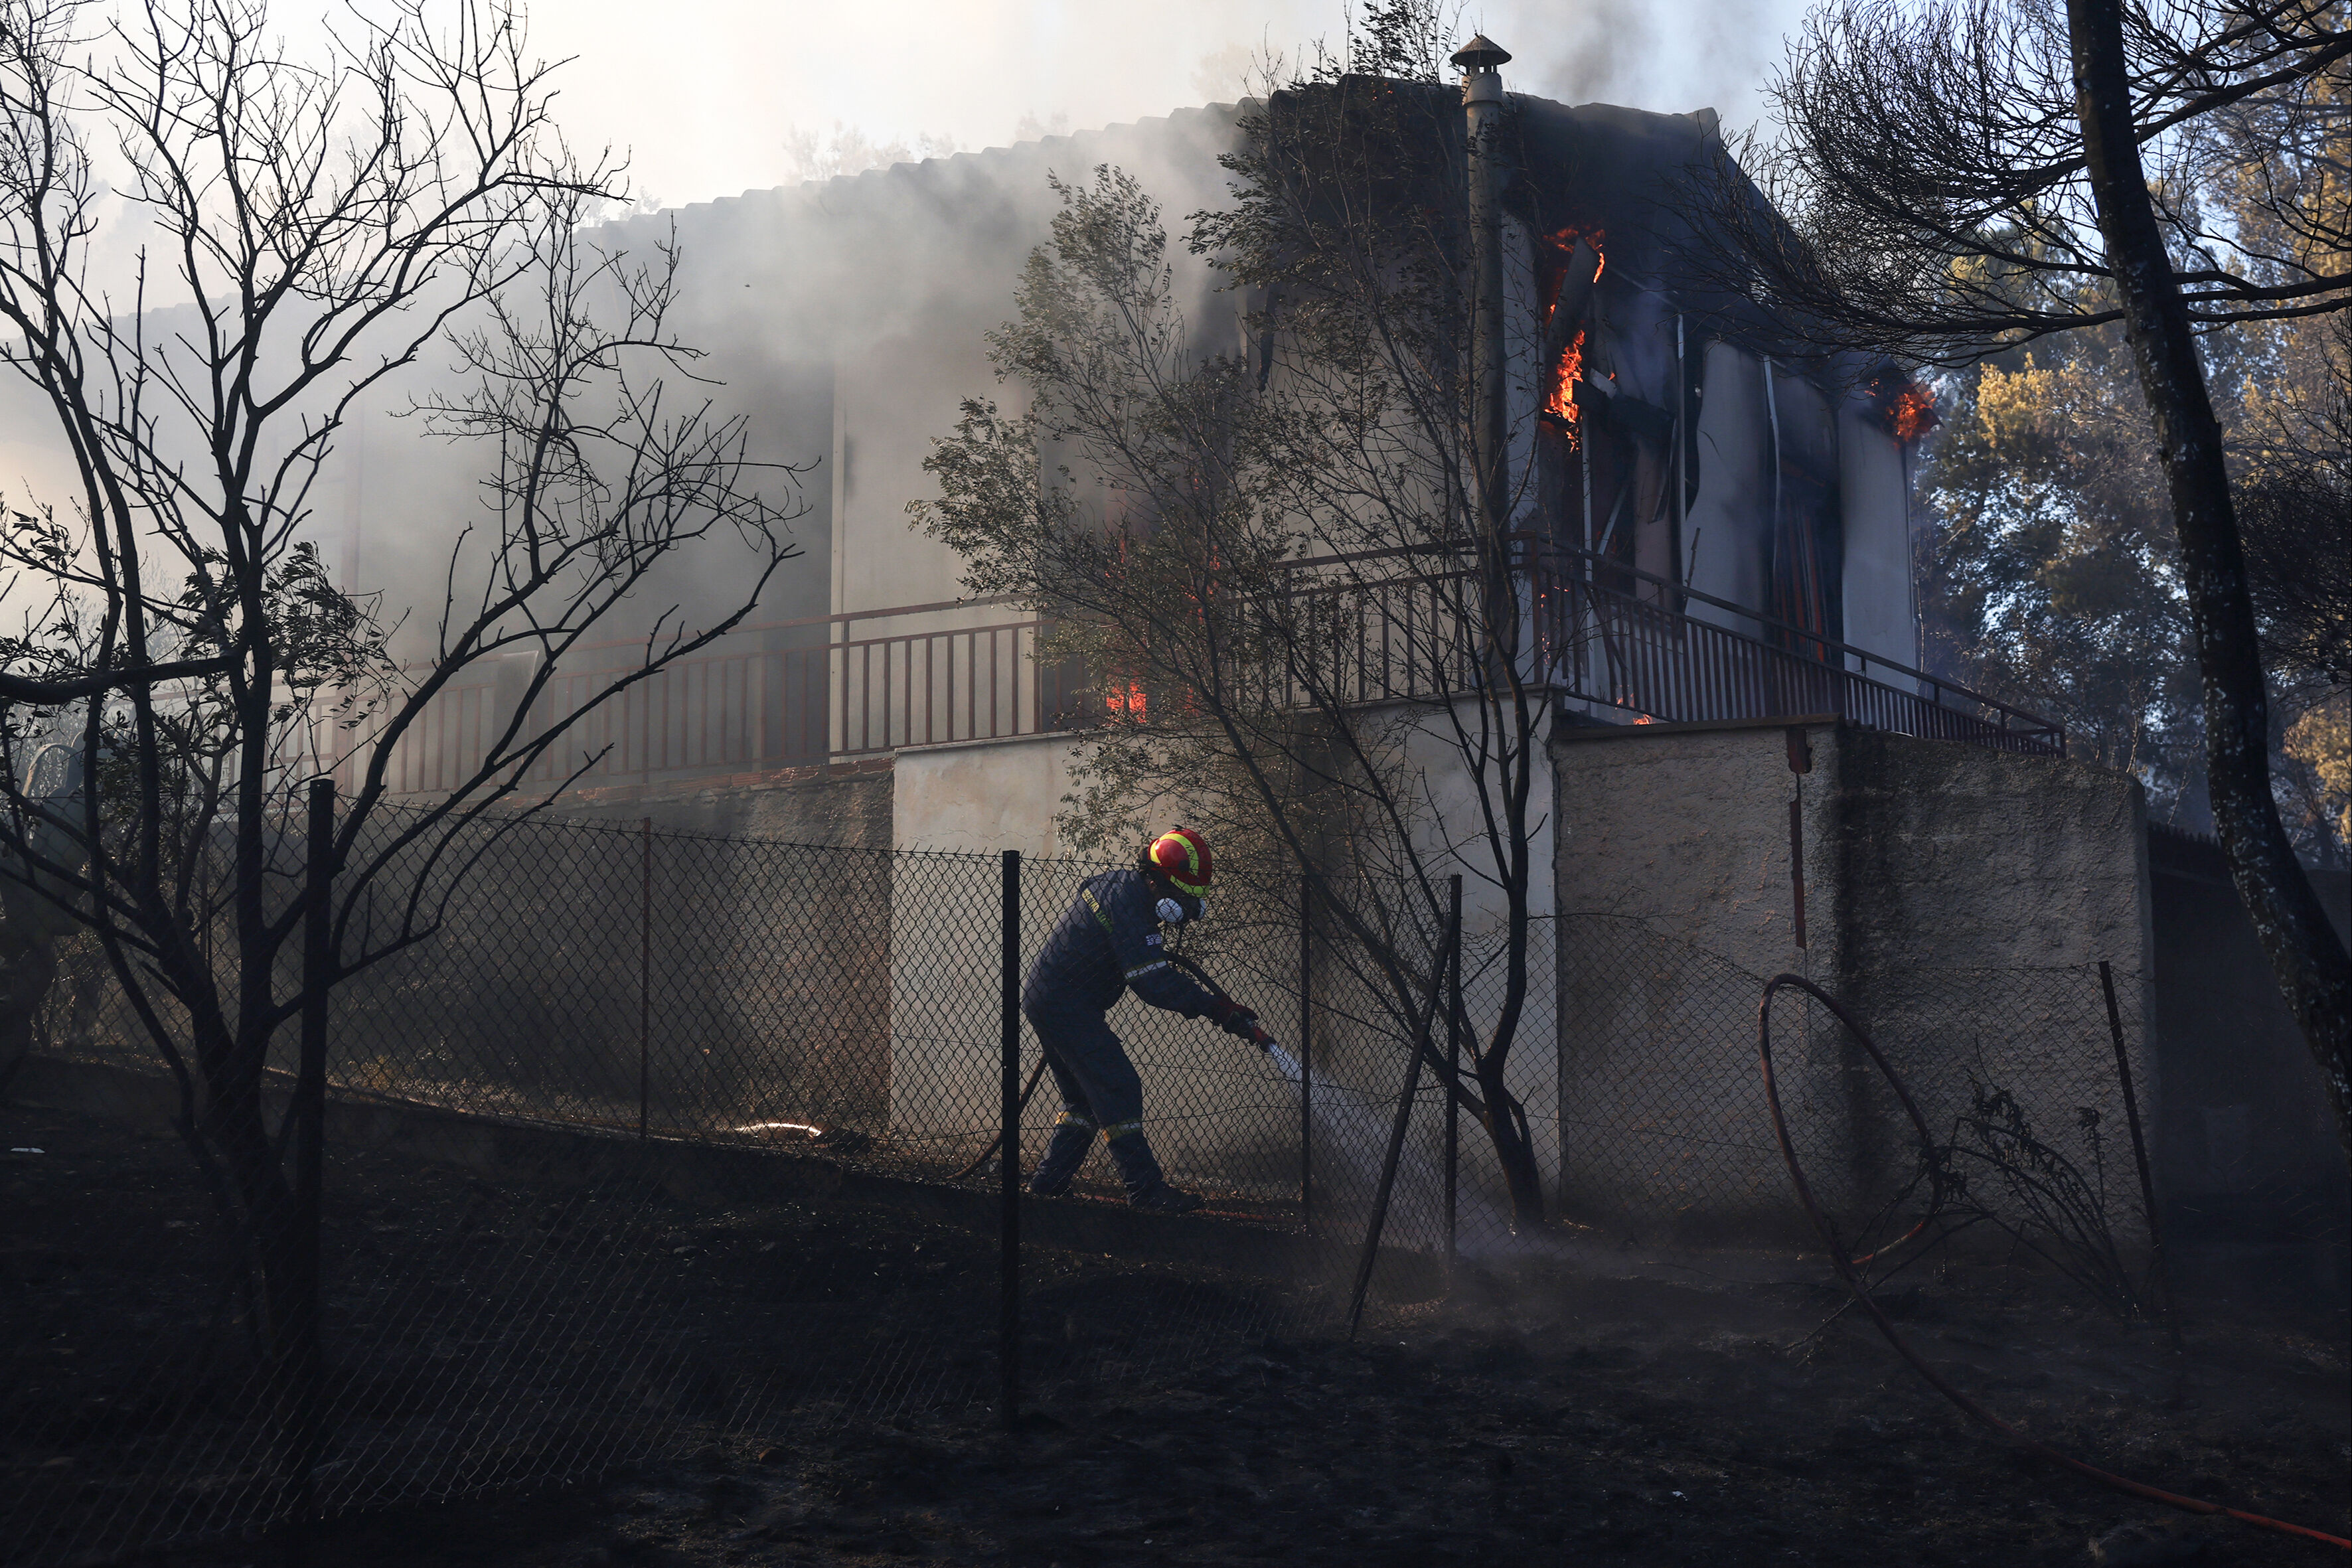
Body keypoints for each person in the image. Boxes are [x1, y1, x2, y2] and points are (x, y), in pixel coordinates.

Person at [1021, 826, 1268, 1213]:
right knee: (1119, 1086)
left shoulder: (1123, 889)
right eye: (1182, 897)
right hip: (1066, 1005)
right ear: (1157, 882)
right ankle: (1145, 1190)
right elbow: (1153, 983)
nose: (1185, 908)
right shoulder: (1131, 910)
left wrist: (1218, 1007)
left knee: (1084, 1101)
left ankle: (1048, 1186)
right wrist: (1216, 1009)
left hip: (1054, 1000)